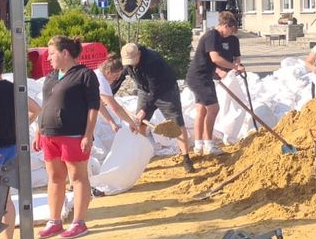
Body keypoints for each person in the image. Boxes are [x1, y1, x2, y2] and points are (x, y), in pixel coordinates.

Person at [34, 36, 101, 239]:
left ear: (65, 53)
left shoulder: (85, 75)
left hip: (73, 134)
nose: (49, 58)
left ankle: (79, 222)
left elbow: (93, 107)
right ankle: (54, 221)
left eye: (52, 54)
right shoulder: (52, 76)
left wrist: (88, 135)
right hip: (49, 134)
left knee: (78, 178)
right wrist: (39, 129)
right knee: (55, 178)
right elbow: (45, 103)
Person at [0, 49, 40, 239]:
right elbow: (35, 109)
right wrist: (20, 131)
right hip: (11, 150)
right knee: (6, 199)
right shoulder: (13, 88)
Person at [114, 44, 195, 172]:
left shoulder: (152, 61)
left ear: (138, 54)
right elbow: (120, 78)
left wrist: (143, 110)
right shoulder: (128, 62)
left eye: (132, 62)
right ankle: (140, 157)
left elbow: (155, 90)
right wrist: (109, 93)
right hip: (144, 90)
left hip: (166, 91)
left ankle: (186, 158)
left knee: (177, 123)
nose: (130, 65)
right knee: (140, 124)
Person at [186, 11, 245, 156]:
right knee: (214, 108)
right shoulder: (212, 36)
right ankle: (209, 144)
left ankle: (198, 145)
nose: (231, 33)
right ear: (225, 25)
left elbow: (234, 57)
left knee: (202, 110)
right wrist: (234, 67)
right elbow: (215, 58)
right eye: (231, 30)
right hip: (198, 77)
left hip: (204, 77)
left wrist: (235, 66)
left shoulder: (225, 38)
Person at [95, 55, 139, 132]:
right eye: (116, 75)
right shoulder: (102, 82)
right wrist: (131, 122)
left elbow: (98, 105)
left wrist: (112, 123)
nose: (117, 78)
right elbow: (116, 108)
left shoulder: (97, 73)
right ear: (108, 72)